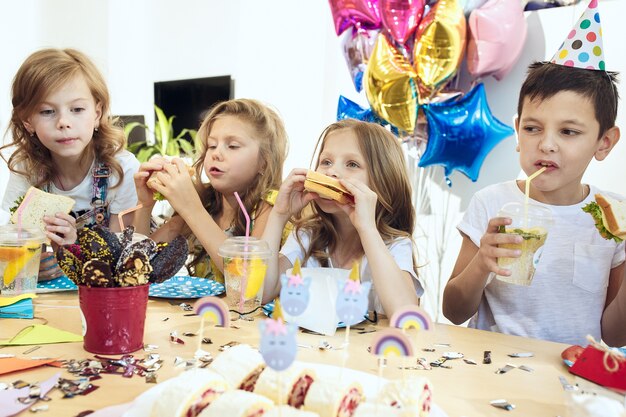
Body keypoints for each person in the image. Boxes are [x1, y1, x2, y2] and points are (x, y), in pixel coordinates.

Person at [442, 62, 626, 347]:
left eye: (568, 132)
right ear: (517, 131)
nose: (546, 144)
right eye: (532, 128)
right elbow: (453, 311)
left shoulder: (612, 216)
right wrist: (482, 264)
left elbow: (615, 336)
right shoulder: (492, 203)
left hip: (571, 377)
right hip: (490, 368)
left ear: (604, 142)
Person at [1, 48, 140, 280]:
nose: (64, 122)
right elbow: (11, 237)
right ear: (27, 121)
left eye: (77, 109)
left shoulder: (120, 169)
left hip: (105, 288)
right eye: (47, 111)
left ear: (97, 113)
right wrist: (30, 262)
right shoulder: (27, 169)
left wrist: (75, 247)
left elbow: (122, 258)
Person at [261, 119, 422, 317]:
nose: (331, 172)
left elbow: (405, 313)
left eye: (352, 164)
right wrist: (279, 215)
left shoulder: (394, 245)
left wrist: (367, 229)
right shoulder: (308, 236)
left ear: (383, 181)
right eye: (326, 162)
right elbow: (261, 293)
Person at [133, 98, 288, 283]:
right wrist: (145, 205)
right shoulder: (206, 200)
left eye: (232, 146)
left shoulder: (270, 206)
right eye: (211, 145)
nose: (216, 153)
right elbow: (137, 263)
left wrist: (192, 208)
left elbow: (248, 282)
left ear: (264, 161)